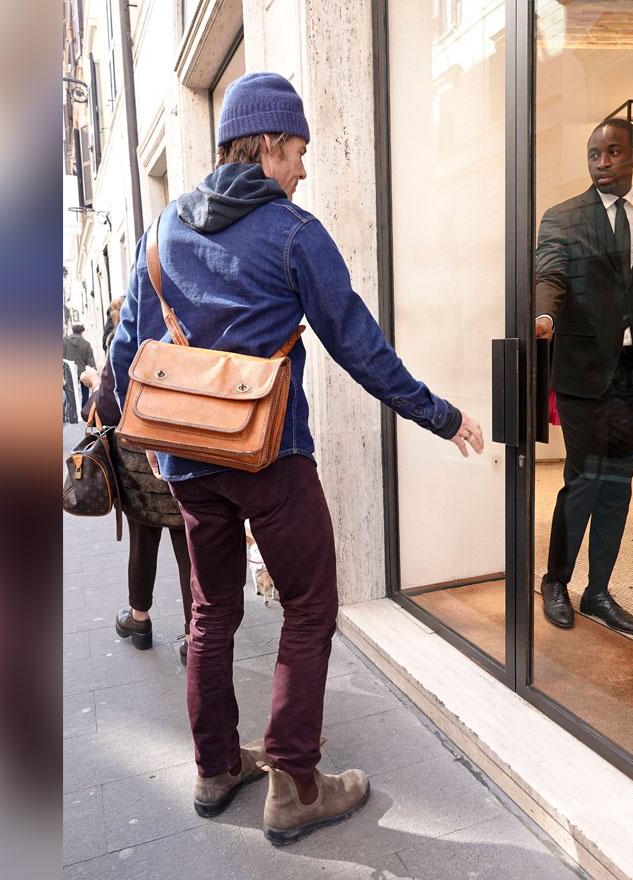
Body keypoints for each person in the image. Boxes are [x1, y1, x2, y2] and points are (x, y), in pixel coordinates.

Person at [108, 71, 484, 845]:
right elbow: (361, 349)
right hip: (271, 458)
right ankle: (295, 782)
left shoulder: (162, 229)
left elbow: (125, 347)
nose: (306, 168)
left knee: (211, 609)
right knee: (310, 605)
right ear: (271, 144)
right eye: (301, 151)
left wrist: (131, 431)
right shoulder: (293, 232)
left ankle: (215, 767)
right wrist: (440, 416)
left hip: (186, 464)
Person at [533, 116, 633, 635]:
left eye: (613, 152)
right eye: (595, 154)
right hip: (581, 372)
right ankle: (556, 581)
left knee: (617, 485)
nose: (602, 162)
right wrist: (544, 316)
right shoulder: (562, 218)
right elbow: (550, 271)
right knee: (582, 481)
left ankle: (598, 591)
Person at [83, 363, 194, 664]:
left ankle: (139, 618)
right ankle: (193, 636)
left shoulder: (130, 337)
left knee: (142, 543)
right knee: (190, 552)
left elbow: (104, 408)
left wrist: (94, 381)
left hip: (139, 468)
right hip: (188, 456)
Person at [62, 323, 96, 416]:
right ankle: (84, 411)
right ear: (82, 332)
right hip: (82, 372)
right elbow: (90, 359)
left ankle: (69, 412)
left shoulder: (64, 341)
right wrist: (94, 370)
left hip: (69, 371)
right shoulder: (86, 344)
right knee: (85, 392)